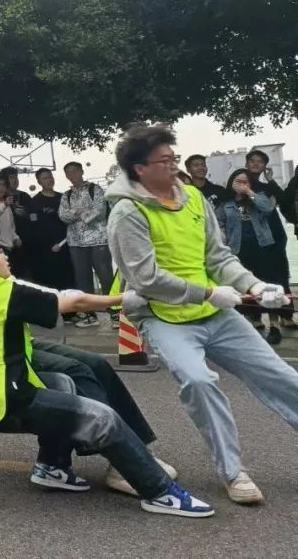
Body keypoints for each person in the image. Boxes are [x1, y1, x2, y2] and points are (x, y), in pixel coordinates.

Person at [0, 232, 213, 517]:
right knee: (103, 419)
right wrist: (125, 299)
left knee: (63, 384)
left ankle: (52, 465)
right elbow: (76, 303)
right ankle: (160, 492)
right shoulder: (4, 294)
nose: (6, 255)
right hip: (5, 402)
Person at [0, 211, 176, 497]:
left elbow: (39, 293)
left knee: (94, 364)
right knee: (74, 376)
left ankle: (99, 453)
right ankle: (118, 458)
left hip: (18, 341)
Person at [107, 123, 298, 505]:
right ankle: (233, 473)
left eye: (174, 158)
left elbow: (218, 256)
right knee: (199, 381)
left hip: (216, 313)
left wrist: (254, 285)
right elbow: (146, 278)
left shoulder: (194, 198)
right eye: (165, 161)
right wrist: (210, 292)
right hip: (165, 318)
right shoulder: (127, 213)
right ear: (140, 168)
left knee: (280, 376)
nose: (174, 166)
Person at [215, 168, 292, 344]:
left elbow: (268, 208)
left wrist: (250, 193)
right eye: (238, 181)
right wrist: (223, 240)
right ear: (231, 183)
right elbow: (218, 222)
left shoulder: (258, 197)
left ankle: (274, 326)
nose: (242, 184)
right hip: (239, 249)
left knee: (269, 285)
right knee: (246, 286)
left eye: (246, 181)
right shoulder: (225, 203)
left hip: (263, 247)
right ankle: (255, 323)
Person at [58, 161, 116, 329]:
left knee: (105, 276)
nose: (72, 175)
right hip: (76, 241)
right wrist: (82, 211)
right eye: (69, 172)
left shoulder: (95, 189)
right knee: (82, 279)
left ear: (82, 171)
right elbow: (62, 215)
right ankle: (90, 315)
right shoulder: (66, 195)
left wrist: (76, 214)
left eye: (75, 171)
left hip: (98, 239)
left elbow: (100, 211)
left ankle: (115, 312)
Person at [244, 149, 291, 290]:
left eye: (260, 162)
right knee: (254, 283)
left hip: (274, 239)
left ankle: (280, 303)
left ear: (265, 166)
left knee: (278, 280)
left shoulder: (267, 187)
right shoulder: (239, 186)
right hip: (250, 242)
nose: (255, 164)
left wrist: (270, 179)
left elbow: (285, 201)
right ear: (246, 164)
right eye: (252, 161)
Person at [31, 168, 74, 290]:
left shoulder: (63, 198)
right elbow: (35, 227)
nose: (49, 180)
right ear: (39, 182)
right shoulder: (35, 202)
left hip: (67, 245)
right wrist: (49, 244)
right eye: (45, 178)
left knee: (70, 280)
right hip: (48, 249)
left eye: (50, 177)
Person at [0, 167, 35, 278]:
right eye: (11, 177)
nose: (15, 180)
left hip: (25, 243)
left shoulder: (25, 196)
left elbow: (35, 217)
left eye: (16, 177)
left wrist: (27, 215)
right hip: (6, 245)